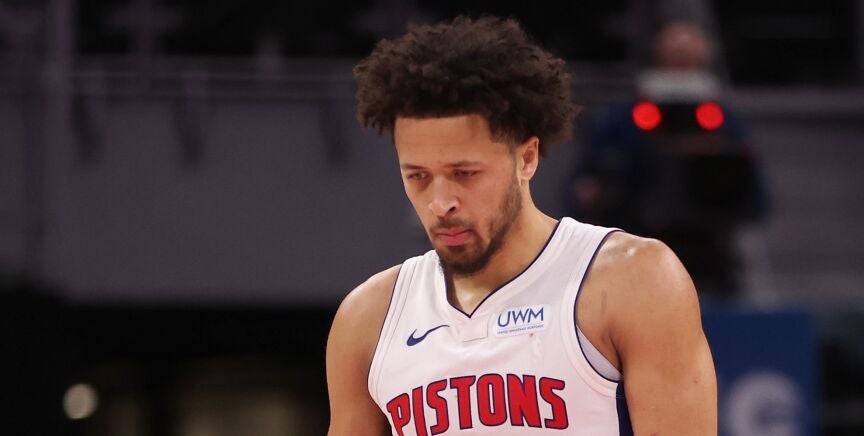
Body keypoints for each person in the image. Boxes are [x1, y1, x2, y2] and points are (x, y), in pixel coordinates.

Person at [327, 16, 717, 435]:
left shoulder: (632, 280)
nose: (440, 203)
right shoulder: (367, 318)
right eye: (418, 176)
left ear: (527, 158)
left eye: (464, 173)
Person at [568, 21, 768, 300]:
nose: (680, 68)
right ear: (657, 60)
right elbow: (580, 189)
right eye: (673, 59)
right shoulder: (622, 122)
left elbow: (756, 200)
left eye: (688, 61)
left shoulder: (725, 125)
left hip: (707, 256)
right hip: (630, 251)